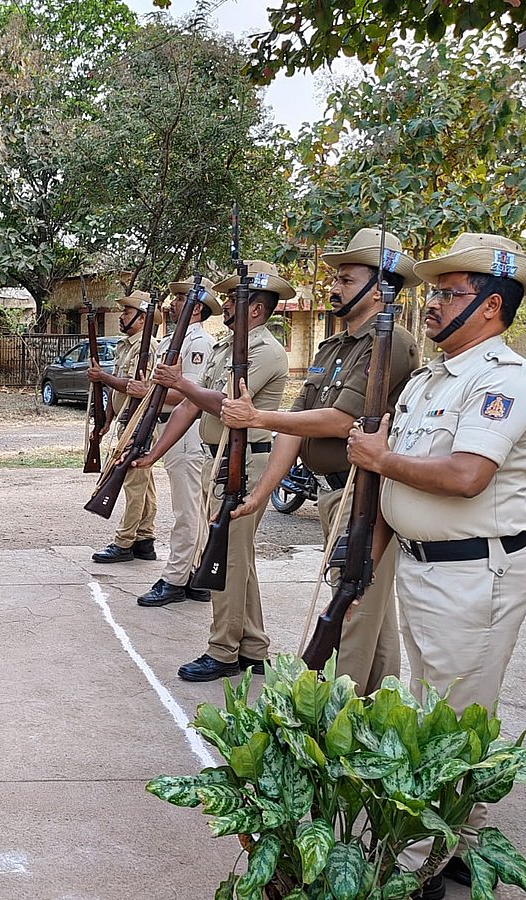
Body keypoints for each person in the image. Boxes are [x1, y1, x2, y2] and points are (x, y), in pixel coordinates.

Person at [347, 233, 526, 899]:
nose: (432, 302)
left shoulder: (502, 380)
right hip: (423, 570)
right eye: (434, 290)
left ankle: (413, 866)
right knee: (437, 714)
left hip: (473, 577)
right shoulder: (429, 378)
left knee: (446, 723)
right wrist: (365, 566)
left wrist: (380, 459)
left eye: (450, 292)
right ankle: (457, 844)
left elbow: (467, 474)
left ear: (490, 307)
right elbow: (397, 492)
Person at [220, 229, 419, 694]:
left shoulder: (391, 343)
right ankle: (376, 713)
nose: (333, 287)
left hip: (364, 492)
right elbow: (295, 423)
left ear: (380, 288)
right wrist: (260, 495)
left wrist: (256, 415)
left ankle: (334, 723)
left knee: (351, 616)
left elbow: (339, 418)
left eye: (346, 280)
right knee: (373, 622)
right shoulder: (333, 347)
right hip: (336, 493)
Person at [135, 261, 291, 682]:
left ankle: (223, 651)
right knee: (240, 558)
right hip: (218, 457)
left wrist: (180, 382)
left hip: (246, 460)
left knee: (227, 557)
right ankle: (254, 646)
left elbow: (223, 403)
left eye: (232, 300)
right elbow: (189, 406)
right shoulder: (227, 348)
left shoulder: (266, 352)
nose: (223, 305)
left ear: (255, 309)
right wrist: (153, 453)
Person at [136, 281, 221, 606]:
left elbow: (192, 396)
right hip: (168, 426)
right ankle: (194, 574)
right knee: (191, 508)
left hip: (185, 430)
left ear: (197, 307)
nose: (172, 303)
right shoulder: (173, 341)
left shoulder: (200, 342)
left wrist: (148, 393)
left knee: (186, 509)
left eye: (181, 299)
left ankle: (175, 578)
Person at [88, 290, 158, 564]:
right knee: (144, 482)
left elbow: (139, 388)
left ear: (142, 319)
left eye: (128, 313)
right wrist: (107, 419)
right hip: (125, 419)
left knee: (133, 483)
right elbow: (121, 388)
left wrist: (101, 376)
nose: (122, 317)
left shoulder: (146, 347)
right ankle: (144, 539)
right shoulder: (125, 345)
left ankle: (124, 541)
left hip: (139, 422)